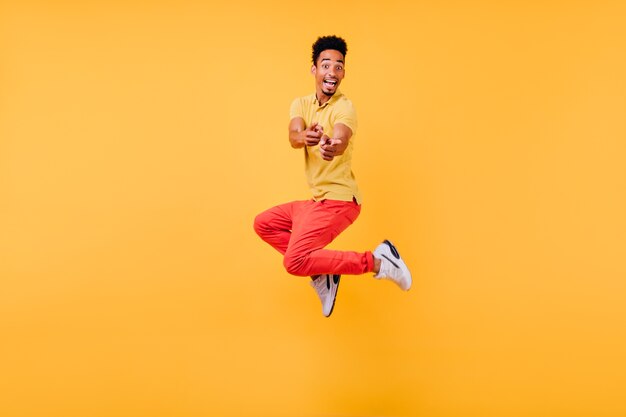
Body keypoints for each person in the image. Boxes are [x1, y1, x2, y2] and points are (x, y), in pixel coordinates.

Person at [253, 35, 412, 317]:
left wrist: (331, 146)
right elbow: (293, 135)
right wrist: (305, 137)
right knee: (263, 224)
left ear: (343, 74)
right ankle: (322, 274)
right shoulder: (300, 104)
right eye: (326, 65)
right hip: (316, 202)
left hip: (340, 202)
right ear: (314, 69)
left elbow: (341, 136)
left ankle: (377, 260)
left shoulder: (344, 107)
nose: (332, 72)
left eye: (339, 67)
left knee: (294, 262)